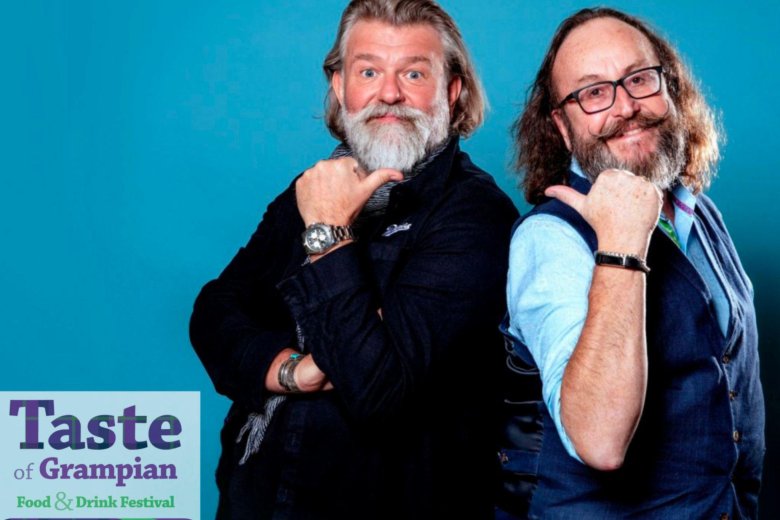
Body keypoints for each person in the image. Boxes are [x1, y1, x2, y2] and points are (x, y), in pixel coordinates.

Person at [190, 1, 518, 518]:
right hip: (258, 500)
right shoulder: (317, 185)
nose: (389, 93)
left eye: (414, 72)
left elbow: (378, 391)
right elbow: (215, 310)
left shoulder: (477, 216)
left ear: (451, 92)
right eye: (369, 71)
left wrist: (328, 233)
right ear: (341, 88)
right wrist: (292, 370)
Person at [497, 7, 765, 519]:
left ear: (669, 87)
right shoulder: (548, 238)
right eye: (594, 92)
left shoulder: (697, 210)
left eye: (639, 80)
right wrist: (620, 243)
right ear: (561, 124)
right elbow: (598, 440)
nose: (626, 107)